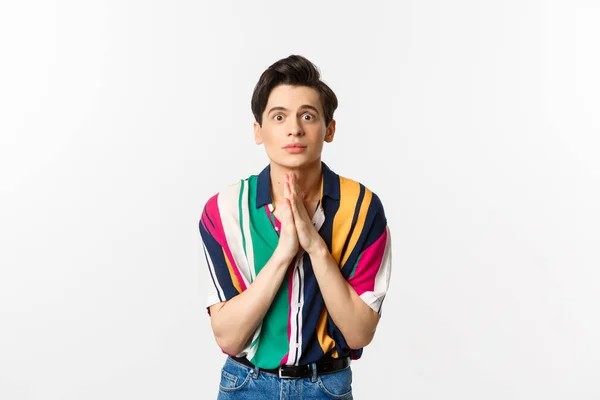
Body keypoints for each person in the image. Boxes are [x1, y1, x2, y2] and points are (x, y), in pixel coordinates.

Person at [199, 54, 392, 399]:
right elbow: (228, 337)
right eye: (278, 116)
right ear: (258, 131)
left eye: (308, 115)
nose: (294, 129)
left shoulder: (362, 208)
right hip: (246, 385)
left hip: (327, 387)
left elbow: (360, 333)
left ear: (329, 129)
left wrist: (315, 246)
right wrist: (285, 251)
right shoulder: (224, 210)